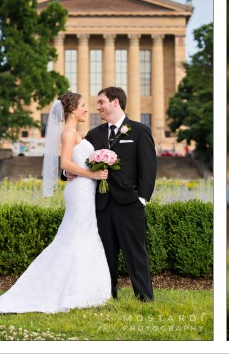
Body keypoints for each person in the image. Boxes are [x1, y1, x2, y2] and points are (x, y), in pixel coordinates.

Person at [0, 92, 111, 313]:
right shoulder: (69, 133)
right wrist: (92, 175)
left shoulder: (75, 133)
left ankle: (84, 289)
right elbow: (66, 163)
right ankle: (73, 291)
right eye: (82, 106)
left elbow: (67, 166)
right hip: (80, 191)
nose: (85, 110)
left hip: (85, 191)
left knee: (83, 234)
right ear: (71, 110)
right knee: (76, 235)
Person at [67, 86, 157, 302]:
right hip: (101, 204)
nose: (97, 107)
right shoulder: (94, 134)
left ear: (115, 102)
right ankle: (108, 295)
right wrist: (65, 172)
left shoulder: (139, 131)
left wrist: (142, 199)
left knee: (135, 253)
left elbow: (149, 168)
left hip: (130, 203)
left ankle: (144, 297)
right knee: (105, 253)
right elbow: (76, 158)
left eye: (101, 102)